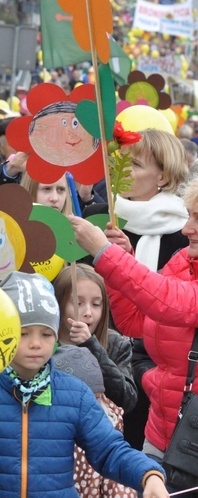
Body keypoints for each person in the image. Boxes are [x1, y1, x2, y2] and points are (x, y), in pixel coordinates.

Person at [0, 271, 169, 498]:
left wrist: (148, 474)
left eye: (46, 333)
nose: (36, 344)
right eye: (23, 333)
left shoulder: (75, 394)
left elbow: (109, 449)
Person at [70, 177, 198, 490]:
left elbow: (170, 301)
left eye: (197, 218)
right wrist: (121, 257)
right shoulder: (184, 261)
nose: (186, 229)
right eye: (189, 215)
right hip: (161, 432)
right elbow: (135, 321)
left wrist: (104, 252)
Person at [84, 128, 190, 451]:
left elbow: (164, 299)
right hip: (102, 353)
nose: (126, 172)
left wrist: (121, 260)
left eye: (138, 165)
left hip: (158, 376)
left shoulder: (185, 234)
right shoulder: (98, 220)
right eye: (123, 164)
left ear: (163, 175)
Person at [53, 264, 139, 497]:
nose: (88, 312)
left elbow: (127, 399)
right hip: (57, 453)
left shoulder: (115, 344)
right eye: (78, 303)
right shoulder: (42, 344)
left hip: (100, 453)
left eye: (96, 304)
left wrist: (93, 347)